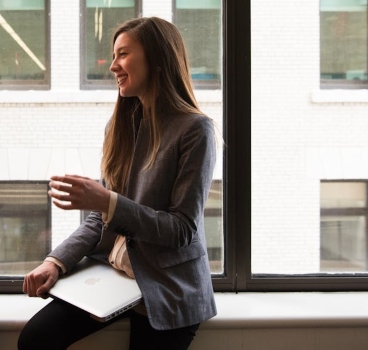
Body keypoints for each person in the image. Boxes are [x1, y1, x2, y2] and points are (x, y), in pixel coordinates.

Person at [18, 17, 218, 350]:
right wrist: (55, 262)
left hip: (168, 286)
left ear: (157, 59)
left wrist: (108, 202)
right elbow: (100, 219)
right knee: (35, 339)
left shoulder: (196, 130)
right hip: (114, 278)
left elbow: (181, 230)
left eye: (123, 54)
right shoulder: (121, 124)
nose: (113, 66)